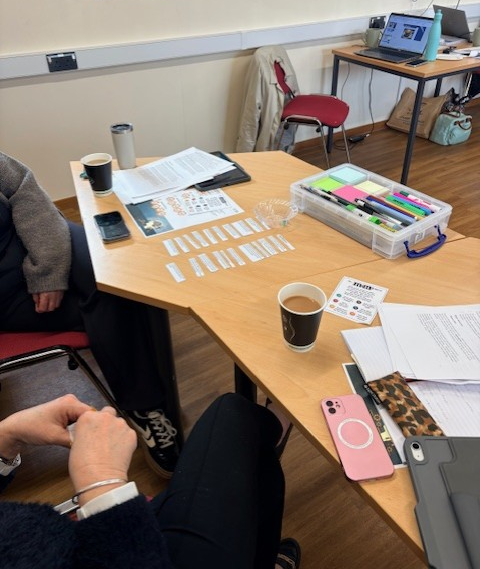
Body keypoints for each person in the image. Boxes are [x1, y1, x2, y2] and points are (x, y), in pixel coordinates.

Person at [0, 151, 179, 478]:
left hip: (35, 245)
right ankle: (145, 406)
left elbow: (26, 191)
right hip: (6, 295)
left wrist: (47, 269)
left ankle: (154, 395)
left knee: (123, 278)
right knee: (116, 308)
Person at [0, 393, 301, 569]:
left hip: (69, 537)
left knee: (246, 452)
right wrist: (99, 478)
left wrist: (6, 436)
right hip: (128, 553)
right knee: (234, 417)